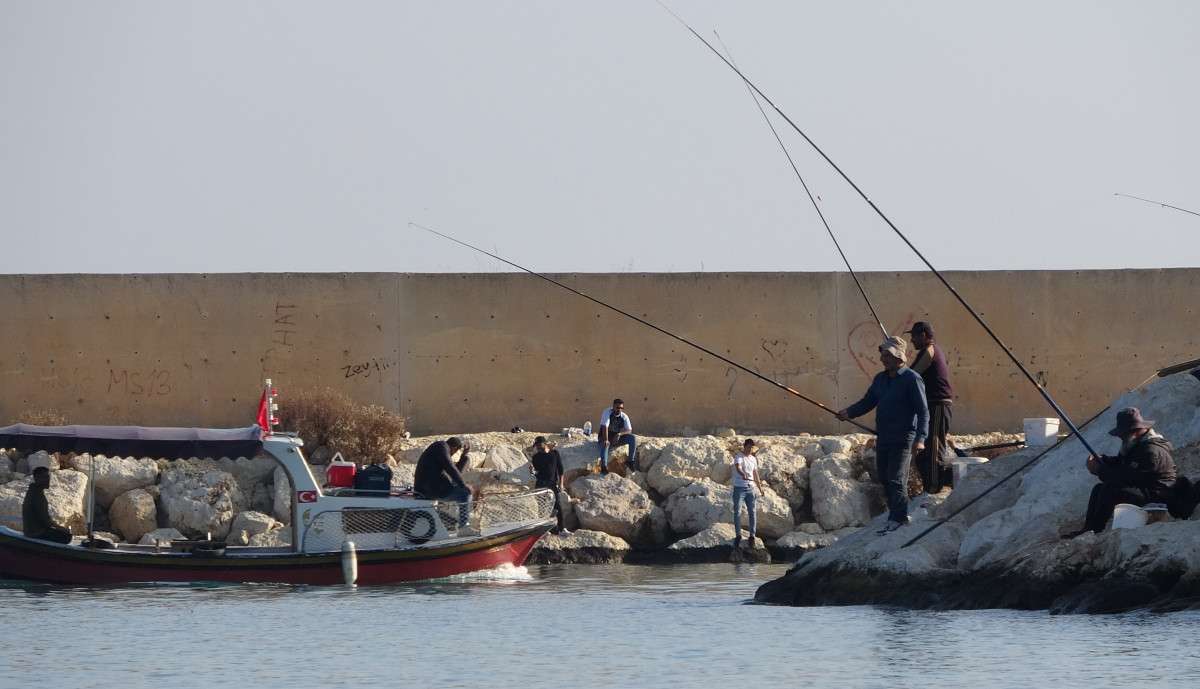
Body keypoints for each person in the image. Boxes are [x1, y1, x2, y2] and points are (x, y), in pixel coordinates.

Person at [837, 335, 929, 535]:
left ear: (899, 357)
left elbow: (923, 412)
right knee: (885, 478)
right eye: (883, 354)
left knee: (896, 478)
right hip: (884, 437)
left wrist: (921, 439)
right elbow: (868, 401)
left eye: (888, 355)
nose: (883, 359)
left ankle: (900, 518)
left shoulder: (912, 379)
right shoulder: (880, 379)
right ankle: (893, 515)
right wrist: (849, 412)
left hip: (904, 437)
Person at [1074, 408, 1176, 535]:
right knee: (1098, 489)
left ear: (1134, 432)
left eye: (1122, 434)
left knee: (1110, 488)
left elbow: (1127, 477)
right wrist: (1104, 460)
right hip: (1143, 488)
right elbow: (1123, 463)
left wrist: (1100, 470)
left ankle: (1096, 529)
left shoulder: (1151, 451)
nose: (1121, 438)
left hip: (1157, 494)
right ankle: (1088, 529)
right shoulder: (1138, 445)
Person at [907, 321, 955, 494]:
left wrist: (898, 364)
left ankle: (934, 489)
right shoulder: (927, 352)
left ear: (924, 335)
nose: (911, 340)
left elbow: (912, 375)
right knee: (924, 450)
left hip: (938, 404)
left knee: (934, 448)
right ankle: (932, 485)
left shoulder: (929, 351)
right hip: (930, 406)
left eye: (914, 336)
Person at [414, 437, 474, 533]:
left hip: (429, 489)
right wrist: (463, 485)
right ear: (454, 448)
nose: (453, 454)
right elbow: (450, 467)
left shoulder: (439, 451)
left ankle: (454, 525)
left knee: (459, 491)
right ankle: (464, 528)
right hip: (431, 489)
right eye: (455, 451)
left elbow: (455, 470)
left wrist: (464, 456)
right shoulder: (441, 446)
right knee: (465, 493)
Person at [530, 436, 570, 535]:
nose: (538, 447)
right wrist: (532, 472)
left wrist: (561, 484)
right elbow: (537, 473)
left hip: (552, 485)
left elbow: (560, 470)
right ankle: (545, 530)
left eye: (539, 445)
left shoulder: (555, 454)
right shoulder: (536, 457)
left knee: (557, 506)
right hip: (540, 485)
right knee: (542, 508)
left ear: (545, 443)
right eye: (536, 446)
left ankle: (562, 529)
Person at [22, 467, 72, 544]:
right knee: (67, 536)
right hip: (36, 532)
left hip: (31, 530)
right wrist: (61, 528)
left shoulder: (33, 491)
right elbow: (45, 521)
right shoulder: (37, 495)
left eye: (48, 477)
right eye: (45, 477)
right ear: (37, 478)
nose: (48, 480)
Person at [731, 438, 764, 549]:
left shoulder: (753, 459)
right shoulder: (739, 457)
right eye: (748, 447)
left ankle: (752, 536)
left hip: (751, 488)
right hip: (739, 488)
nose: (750, 449)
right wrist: (742, 473)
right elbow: (738, 467)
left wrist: (760, 488)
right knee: (737, 512)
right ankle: (738, 536)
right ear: (745, 446)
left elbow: (755, 474)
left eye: (752, 447)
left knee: (752, 512)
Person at [598, 398, 638, 474]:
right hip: (604, 437)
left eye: (621, 408)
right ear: (613, 406)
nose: (619, 409)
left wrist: (620, 434)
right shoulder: (607, 412)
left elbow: (629, 430)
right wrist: (606, 440)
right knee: (605, 444)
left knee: (632, 438)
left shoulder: (624, 416)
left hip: (616, 438)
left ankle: (630, 461)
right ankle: (604, 467)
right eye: (617, 407)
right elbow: (604, 426)